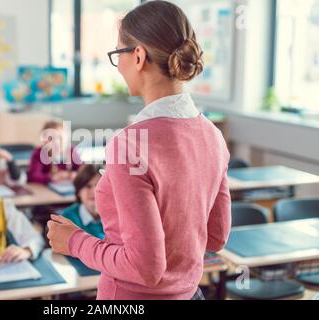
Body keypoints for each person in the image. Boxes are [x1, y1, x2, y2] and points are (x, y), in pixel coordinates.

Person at [47, 1, 231, 300]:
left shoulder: (130, 144)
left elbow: (146, 267)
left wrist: (75, 242)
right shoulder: (213, 136)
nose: (117, 65)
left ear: (138, 56)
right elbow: (216, 236)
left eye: (118, 53)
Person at [27, 120, 82, 185]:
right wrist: (52, 177)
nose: (56, 142)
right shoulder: (39, 153)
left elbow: (84, 171)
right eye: (51, 138)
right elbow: (33, 176)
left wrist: (75, 175)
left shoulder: (71, 151)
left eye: (59, 138)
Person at [61, 165, 104, 239]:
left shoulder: (114, 216)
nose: (94, 191)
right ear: (78, 191)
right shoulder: (67, 218)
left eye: (99, 186)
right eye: (88, 186)